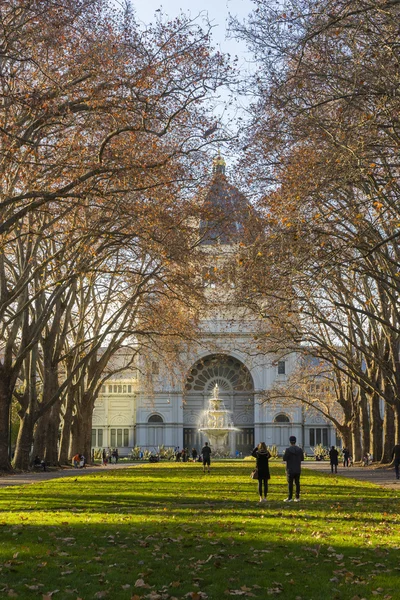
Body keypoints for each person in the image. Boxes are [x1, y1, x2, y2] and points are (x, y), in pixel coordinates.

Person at [283, 436, 304, 502]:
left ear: (290, 442)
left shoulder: (288, 450)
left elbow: (284, 458)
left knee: (290, 483)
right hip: (297, 468)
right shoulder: (300, 450)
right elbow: (302, 458)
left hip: (290, 468)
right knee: (297, 483)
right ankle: (297, 497)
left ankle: (290, 497)